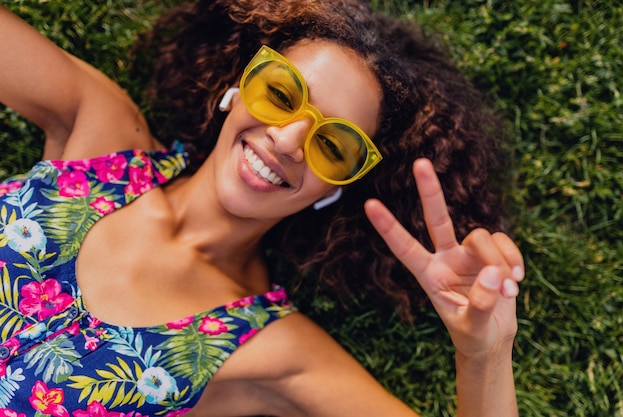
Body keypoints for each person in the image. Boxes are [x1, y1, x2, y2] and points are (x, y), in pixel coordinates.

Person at [0, 0, 524, 416]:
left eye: (333, 145)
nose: (289, 140)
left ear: (340, 186)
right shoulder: (104, 136)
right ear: (240, 83)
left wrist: (484, 356)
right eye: (281, 93)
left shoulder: (268, 346)